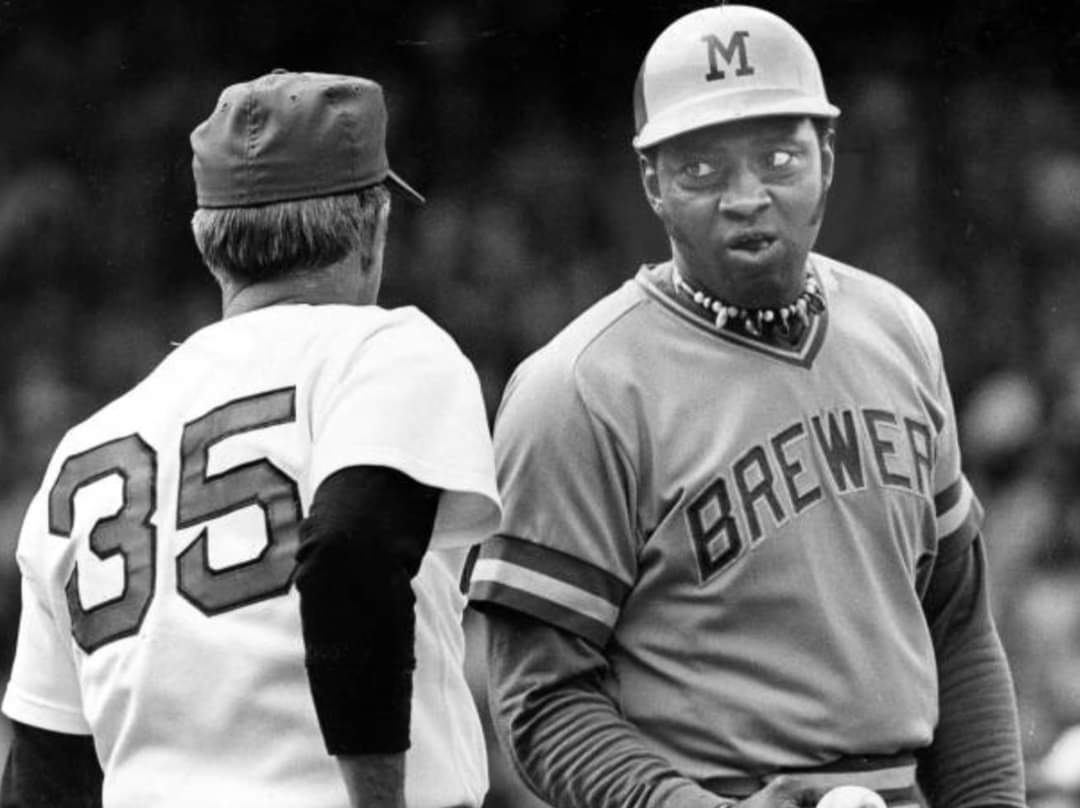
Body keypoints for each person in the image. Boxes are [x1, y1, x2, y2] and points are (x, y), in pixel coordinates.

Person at [466, 6, 1026, 808]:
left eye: (778, 156)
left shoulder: (898, 329)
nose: (746, 196)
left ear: (826, 158)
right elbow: (541, 701)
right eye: (700, 168)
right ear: (651, 181)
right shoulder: (578, 389)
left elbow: (959, 623)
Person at [1, 70, 501, 808]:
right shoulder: (387, 350)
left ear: (211, 244)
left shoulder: (83, 450)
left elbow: (45, 769)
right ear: (373, 223)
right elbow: (351, 548)